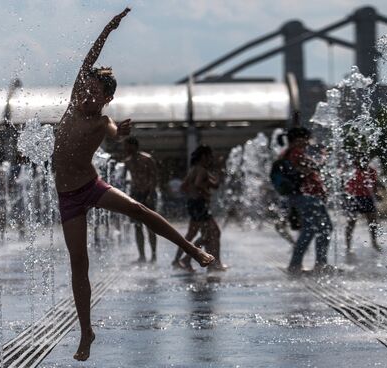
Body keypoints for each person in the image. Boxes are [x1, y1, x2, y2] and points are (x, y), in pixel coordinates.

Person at [52, 8, 215, 361]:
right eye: (88, 88)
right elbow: (89, 58)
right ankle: (86, 332)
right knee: (78, 262)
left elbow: (112, 132)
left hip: (90, 186)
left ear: (107, 99)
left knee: (140, 210)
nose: (89, 96)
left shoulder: (103, 121)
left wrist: (120, 132)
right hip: (68, 198)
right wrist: (108, 29)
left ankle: (191, 250)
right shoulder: (73, 104)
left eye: (96, 93)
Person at [282, 127, 332, 274]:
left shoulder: (289, 153)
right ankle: (318, 264)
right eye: (306, 139)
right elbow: (315, 166)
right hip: (307, 198)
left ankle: (297, 264)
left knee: (310, 230)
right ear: (298, 139)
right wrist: (325, 157)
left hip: (305, 197)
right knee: (324, 228)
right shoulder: (295, 153)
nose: (308, 142)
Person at [172, 146, 227, 271]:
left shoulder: (194, 169)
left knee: (194, 234)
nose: (211, 159)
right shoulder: (201, 170)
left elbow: (183, 187)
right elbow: (198, 184)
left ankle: (178, 260)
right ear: (204, 157)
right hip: (200, 205)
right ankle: (191, 260)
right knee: (212, 233)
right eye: (210, 156)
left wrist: (193, 196)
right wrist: (204, 194)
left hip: (194, 205)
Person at [123, 136, 158, 262]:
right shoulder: (127, 162)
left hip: (148, 193)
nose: (125, 148)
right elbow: (125, 181)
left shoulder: (147, 159)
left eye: (127, 146)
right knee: (137, 226)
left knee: (151, 225)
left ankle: (153, 255)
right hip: (135, 195)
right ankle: (142, 255)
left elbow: (154, 178)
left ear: (134, 146)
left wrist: (150, 195)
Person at [344, 156, 382, 252]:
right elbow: (346, 185)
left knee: (372, 221)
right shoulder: (352, 170)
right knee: (351, 222)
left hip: (367, 197)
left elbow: (374, 185)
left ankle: (374, 242)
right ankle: (348, 245)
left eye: (366, 160)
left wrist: (377, 194)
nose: (364, 162)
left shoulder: (371, 171)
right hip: (354, 198)